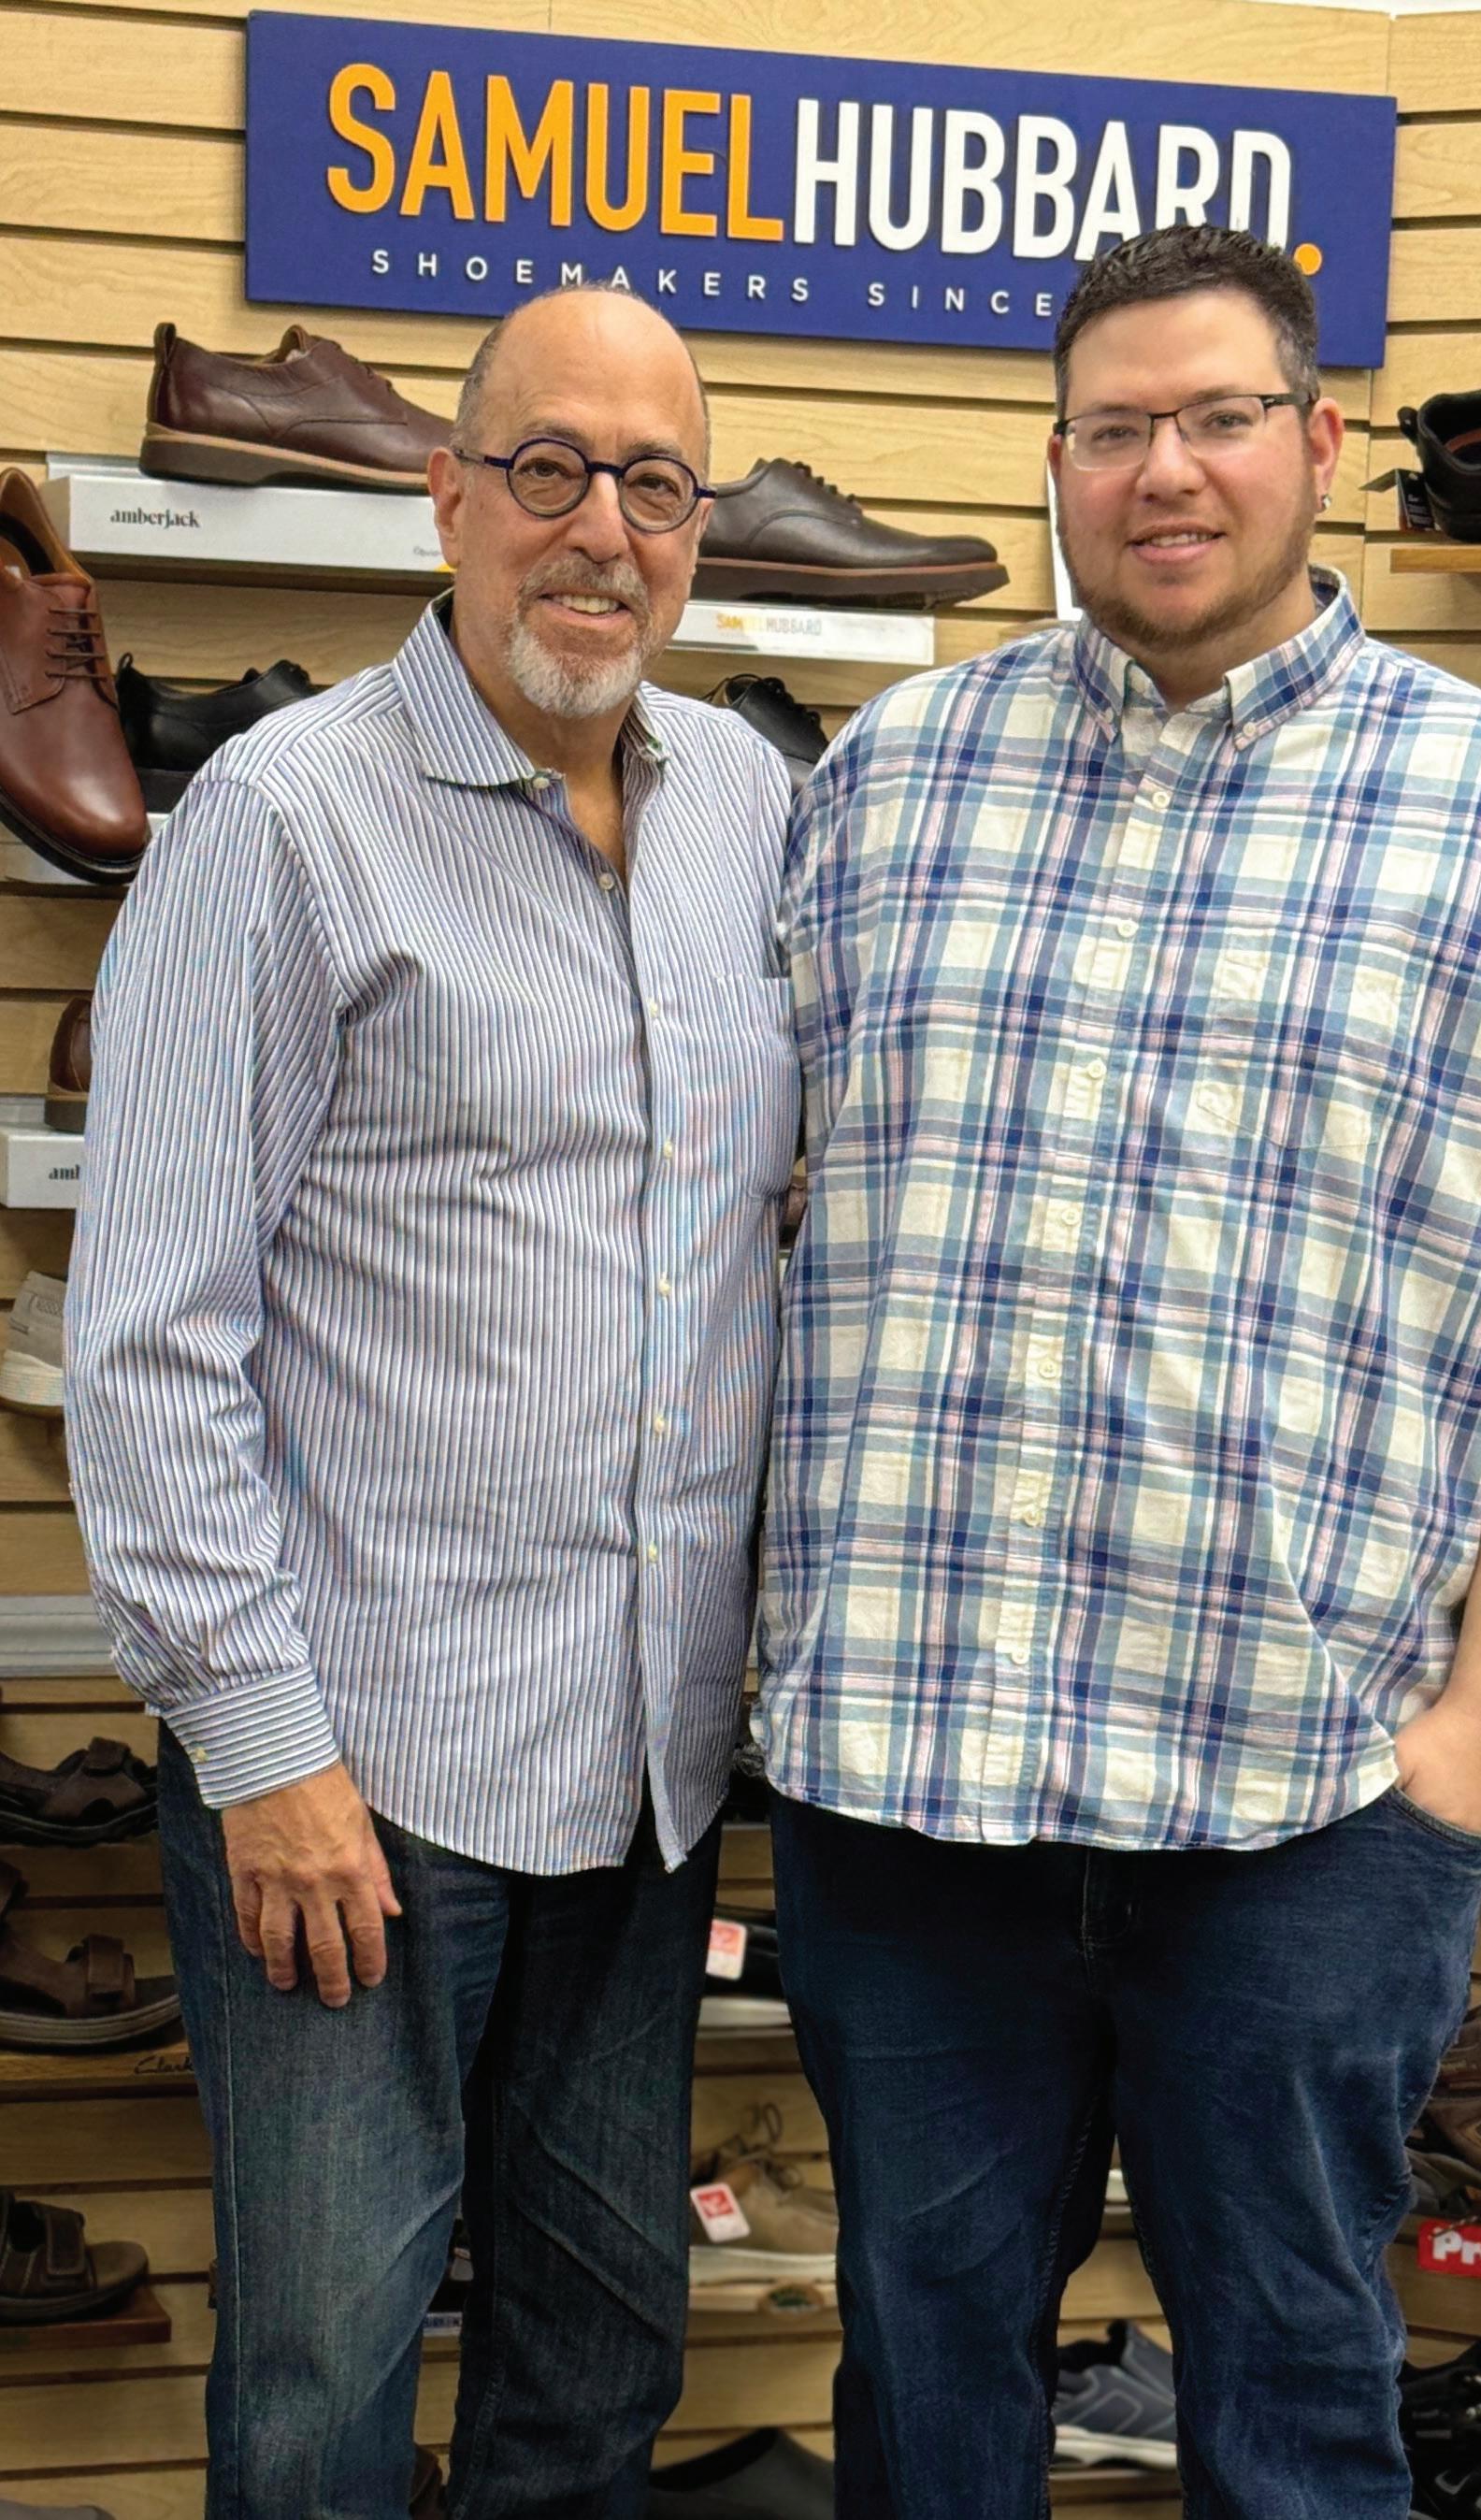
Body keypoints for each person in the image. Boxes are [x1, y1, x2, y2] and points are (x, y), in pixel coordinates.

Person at [755, 224, 1481, 2519]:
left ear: (1313, 440)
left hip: (1301, 1793)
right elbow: (750, 1199)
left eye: (1212, 419)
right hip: (909, 1778)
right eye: (1110, 428)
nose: (1160, 472)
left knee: (1293, 2416)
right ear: (1055, 460)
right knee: (921, 2399)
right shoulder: (889, 776)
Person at [65, 285, 798, 2520]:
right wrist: (259, 1745)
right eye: (550, 469)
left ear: (694, 530)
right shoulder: (282, 820)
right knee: (323, 2382)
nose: (602, 530)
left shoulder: (746, 806)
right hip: (365, 1778)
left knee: (600, 2353)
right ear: (447, 494)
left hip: (643, 1765)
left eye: (653, 484)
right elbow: (151, 1325)